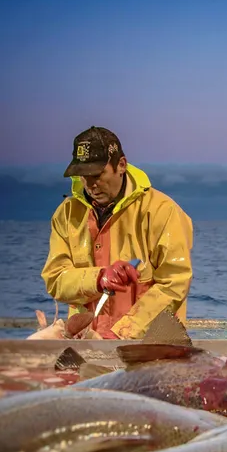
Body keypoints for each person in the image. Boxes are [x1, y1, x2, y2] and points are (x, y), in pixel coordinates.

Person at [41, 126, 194, 339]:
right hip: (85, 344)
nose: (91, 184)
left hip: (148, 348)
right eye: (82, 175)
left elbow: (175, 283)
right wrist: (99, 278)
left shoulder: (163, 211)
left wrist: (124, 331)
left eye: (97, 174)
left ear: (121, 165)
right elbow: (56, 279)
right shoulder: (65, 214)